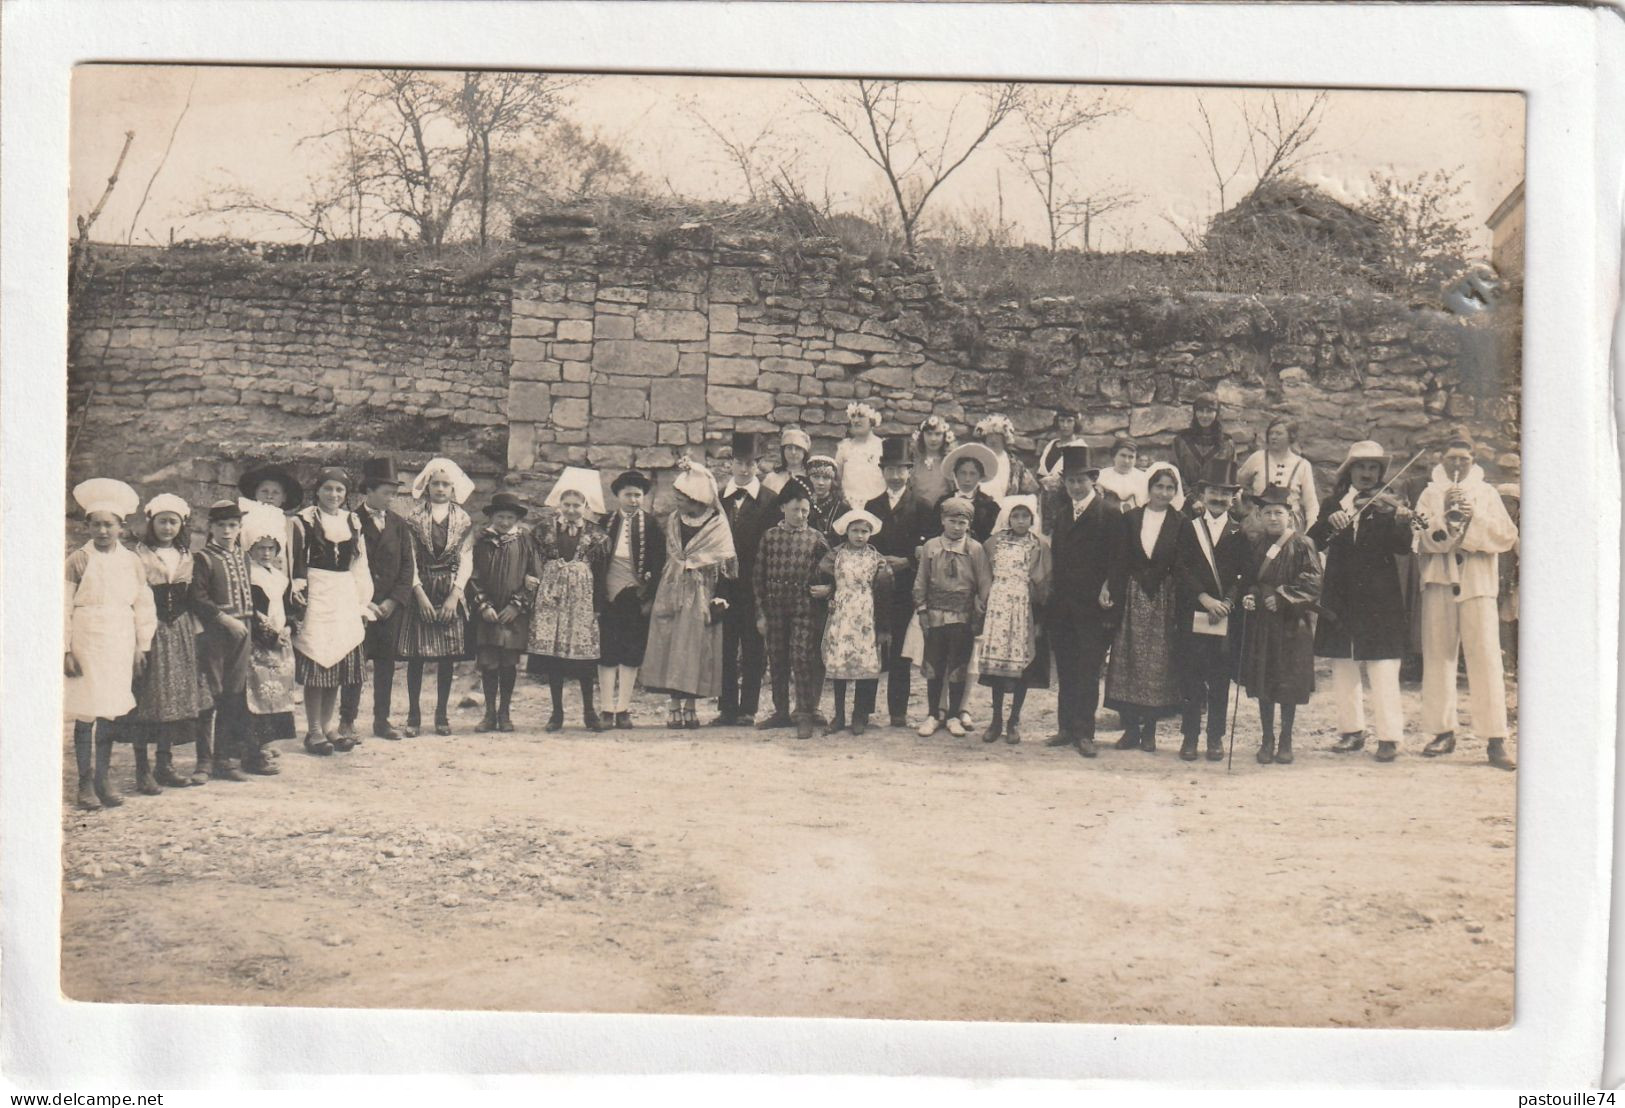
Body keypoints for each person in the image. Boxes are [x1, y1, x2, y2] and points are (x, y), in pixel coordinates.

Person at [1308, 441, 1419, 763]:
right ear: (1349, 471)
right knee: (1343, 665)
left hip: (1379, 599)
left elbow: (1401, 548)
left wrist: (1403, 522)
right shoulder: (1333, 504)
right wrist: (1331, 523)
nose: (1367, 474)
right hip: (1341, 597)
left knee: (1383, 667)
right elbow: (1312, 541)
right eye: (1361, 467)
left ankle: (1389, 737)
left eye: (1373, 468)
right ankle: (1351, 731)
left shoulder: (1388, 507)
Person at [1414, 431, 1519, 770]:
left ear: (1473, 461)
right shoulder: (1430, 493)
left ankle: (1495, 738)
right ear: (1441, 460)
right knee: (1439, 655)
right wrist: (1443, 518)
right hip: (1440, 581)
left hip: (1476, 582)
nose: (1457, 464)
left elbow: (1506, 536)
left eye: (1464, 459)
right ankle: (1442, 731)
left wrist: (1473, 517)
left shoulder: (1487, 493)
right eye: (1451, 458)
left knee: (1486, 658)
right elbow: (1418, 534)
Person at [64, 479, 155, 810]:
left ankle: (104, 777)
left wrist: (141, 645)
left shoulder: (131, 561)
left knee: (110, 712)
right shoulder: (78, 560)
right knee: (87, 710)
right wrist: (65, 649)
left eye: (109, 524)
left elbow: (143, 604)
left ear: (121, 527)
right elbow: (62, 605)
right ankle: (84, 783)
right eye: (96, 524)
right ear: (87, 525)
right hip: (86, 637)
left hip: (119, 637)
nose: (103, 531)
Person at [640, 460, 737, 729]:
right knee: (671, 646)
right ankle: (673, 705)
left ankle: (691, 705)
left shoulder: (717, 525)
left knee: (694, 649)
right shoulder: (673, 520)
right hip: (671, 589)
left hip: (702, 593)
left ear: (696, 499)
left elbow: (726, 564)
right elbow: (666, 555)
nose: (678, 502)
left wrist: (721, 598)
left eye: (682, 498)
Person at [1040, 444, 1122, 758]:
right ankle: (1066, 728)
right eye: (1071, 481)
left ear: (1093, 480)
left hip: (1093, 607)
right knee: (1067, 668)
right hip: (1063, 606)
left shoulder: (1109, 513)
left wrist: (1107, 588)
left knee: (1088, 670)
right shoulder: (1062, 516)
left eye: (1081, 480)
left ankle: (1085, 732)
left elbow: (1118, 560)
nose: (1076, 486)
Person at [125, 494, 209, 794]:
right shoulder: (137, 554)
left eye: (173, 522)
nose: (168, 527)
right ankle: (142, 769)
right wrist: (137, 637)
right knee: (146, 697)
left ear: (181, 525)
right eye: (162, 521)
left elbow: (191, 597)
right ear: (151, 523)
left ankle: (165, 763)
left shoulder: (187, 555)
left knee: (171, 699)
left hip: (180, 630)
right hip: (151, 630)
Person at [289, 468, 375, 755]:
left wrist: (362, 601)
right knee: (318, 659)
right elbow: (294, 560)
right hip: (316, 591)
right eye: (328, 489)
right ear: (317, 491)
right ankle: (313, 729)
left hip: (343, 594)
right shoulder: (303, 520)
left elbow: (359, 564)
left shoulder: (353, 521)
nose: (334, 495)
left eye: (339, 490)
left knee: (337, 661)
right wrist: (299, 594)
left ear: (346, 494)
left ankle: (329, 727)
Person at [1238, 485, 1323, 765]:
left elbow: (1312, 582)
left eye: (1279, 513)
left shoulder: (1303, 544)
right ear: (1260, 516)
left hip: (1291, 624)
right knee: (1265, 681)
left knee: (1288, 682)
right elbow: (1249, 578)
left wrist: (1284, 597)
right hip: (1263, 623)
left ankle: (1286, 739)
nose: (1273, 518)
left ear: (1290, 515)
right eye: (1267, 513)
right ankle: (1267, 738)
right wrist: (1250, 595)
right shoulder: (1256, 544)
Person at [1104, 464, 1186, 753]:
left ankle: (1150, 729)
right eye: (1159, 487)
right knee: (1128, 659)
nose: (1163, 493)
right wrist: (1111, 589)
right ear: (1149, 489)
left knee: (1158, 663)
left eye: (1169, 488)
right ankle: (1130, 729)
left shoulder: (1181, 522)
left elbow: (1182, 563)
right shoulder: (1131, 518)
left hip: (1165, 596)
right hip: (1133, 593)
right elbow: (1119, 558)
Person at [1173, 456, 1249, 763]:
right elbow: (1180, 568)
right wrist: (1204, 598)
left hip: (1224, 618)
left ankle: (1214, 737)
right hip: (1194, 611)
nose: (1218, 498)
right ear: (1202, 495)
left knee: (1219, 679)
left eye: (1225, 493)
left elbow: (1243, 575)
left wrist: (1228, 603)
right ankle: (1190, 736)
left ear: (1234, 498)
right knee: (1191, 678)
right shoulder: (1189, 529)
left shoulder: (1239, 533)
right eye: (1213, 492)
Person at [395, 457, 476, 737]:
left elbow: (466, 559)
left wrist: (455, 595)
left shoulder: (463, 519)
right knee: (417, 656)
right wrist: (418, 594)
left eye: (446, 484)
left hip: (450, 587)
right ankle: (414, 714)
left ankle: (441, 714)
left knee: (446, 656)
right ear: (427, 486)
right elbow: (410, 559)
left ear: (454, 489)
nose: (440, 489)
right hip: (423, 588)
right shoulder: (414, 518)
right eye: (436, 484)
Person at [338, 457, 416, 742]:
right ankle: (347, 720)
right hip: (360, 607)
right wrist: (364, 603)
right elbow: (346, 566)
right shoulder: (351, 522)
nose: (391, 497)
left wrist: (393, 601)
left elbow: (408, 566)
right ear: (368, 491)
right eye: (386, 491)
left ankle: (381, 721)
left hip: (389, 609)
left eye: (393, 492)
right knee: (355, 665)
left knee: (386, 664)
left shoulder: (398, 524)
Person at [528, 467, 610, 732]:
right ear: (559, 504)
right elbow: (532, 560)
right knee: (554, 658)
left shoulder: (597, 535)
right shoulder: (543, 531)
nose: (572, 510)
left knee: (584, 658)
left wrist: (597, 606)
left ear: (586, 506)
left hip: (582, 599)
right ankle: (556, 712)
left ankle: (589, 711)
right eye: (567, 504)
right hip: (552, 597)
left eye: (577, 505)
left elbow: (601, 572)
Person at [864, 434, 934, 728]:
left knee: (900, 651)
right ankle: (863, 710)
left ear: (910, 471)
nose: (895, 475)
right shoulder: (872, 504)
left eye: (901, 469)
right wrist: (879, 561)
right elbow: (863, 543)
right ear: (882, 471)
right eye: (889, 469)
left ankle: (898, 711)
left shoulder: (922, 506)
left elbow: (929, 548)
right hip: (877, 585)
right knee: (870, 645)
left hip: (906, 585)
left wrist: (907, 560)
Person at [753, 481, 833, 740]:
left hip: (804, 608)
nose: (800, 515)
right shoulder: (769, 537)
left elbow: (833, 571)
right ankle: (781, 711)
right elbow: (758, 577)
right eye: (796, 510)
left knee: (801, 657)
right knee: (777, 658)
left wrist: (827, 589)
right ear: (783, 508)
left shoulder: (816, 539)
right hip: (775, 607)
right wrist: (761, 613)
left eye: (805, 511)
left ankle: (805, 714)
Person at [190, 499, 257, 780]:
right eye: (221, 526)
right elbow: (197, 597)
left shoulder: (243, 556)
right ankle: (203, 761)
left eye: (232, 525)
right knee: (210, 696)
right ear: (211, 527)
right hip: (216, 633)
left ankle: (224, 758)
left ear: (240, 528)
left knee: (234, 695)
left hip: (243, 632)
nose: (227, 531)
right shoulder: (203, 558)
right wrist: (224, 620)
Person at [913, 496, 992, 737]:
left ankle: (955, 715)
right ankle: (933, 714)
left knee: (958, 665)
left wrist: (979, 607)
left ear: (968, 524)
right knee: (934, 665)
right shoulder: (931, 547)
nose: (957, 527)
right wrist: (922, 609)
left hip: (963, 616)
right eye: (952, 521)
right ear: (942, 520)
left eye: (962, 522)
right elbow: (921, 580)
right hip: (935, 615)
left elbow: (984, 582)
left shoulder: (975, 549)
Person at [976, 494, 1051, 745]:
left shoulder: (1039, 545)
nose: (1021, 521)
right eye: (1016, 516)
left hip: (1024, 610)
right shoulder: (993, 543)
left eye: (1025, 516)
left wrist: (1039, 615)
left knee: (1023, 667)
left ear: (1032, 518)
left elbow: (1043, 583)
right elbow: (983, 574)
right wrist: (984, 599)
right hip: (998, 608)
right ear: (1007, 518)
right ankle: (996, 718)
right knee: (998, 667)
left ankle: (1014, 719)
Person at [598, 470, 667, 729]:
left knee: (630, 651)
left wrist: (648, 596)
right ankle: (606, 708)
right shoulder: (605, 522)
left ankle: (623, 708)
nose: (634, 500)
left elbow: (659, 563)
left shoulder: (650, 525)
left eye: (638, 495)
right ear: (618, 496)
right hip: (607, 594)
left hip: (635, 596)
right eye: (628, 495)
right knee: (607, 651)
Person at [815, 508, 893, 735]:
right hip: (842, 612)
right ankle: (838, 715)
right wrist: (830, 593)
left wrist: (882, 624)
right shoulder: (836, 555)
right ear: (847, 531)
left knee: (863, 665)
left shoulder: (876, 558)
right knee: (840, 664)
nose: (860, 536)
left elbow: (885, 588)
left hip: (866, 613)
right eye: (855, 530)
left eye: (865, 531)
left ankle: (859, 715)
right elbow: (823, 577)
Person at [715, 432, 773, 725]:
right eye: (739, 462)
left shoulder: (769, 500)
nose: (745, 469)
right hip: (723, 584)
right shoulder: (717, 499)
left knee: (753, 646)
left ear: (758, 465)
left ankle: (748, 708)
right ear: (731, 464)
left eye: (751, 463)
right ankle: (726, 707)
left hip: (754, 584)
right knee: (724, 645)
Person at [467, 491, 535, 733]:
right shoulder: (482, 541)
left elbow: (534, 576)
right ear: (492, 517)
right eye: (500, 517)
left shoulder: (525, 541)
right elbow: (471, 576)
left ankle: (505, 712)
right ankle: (489, 713)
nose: (505, 522)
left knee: (508, 663)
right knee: (489, 663)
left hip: (513, 614)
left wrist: (517, 605)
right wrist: (483, 605)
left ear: (516, 519)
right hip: (489, 613)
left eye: (509, 517)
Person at [241, 503, 298, 767]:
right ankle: (253, 749)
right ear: (250, 549)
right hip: (260, 643)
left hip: (281, 643)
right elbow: (252, 612)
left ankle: (268, 741)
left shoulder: (280, 577)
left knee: (277, 693)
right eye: (260, 548)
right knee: (258, 692)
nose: (265, 553)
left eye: (270, 548)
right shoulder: (248, 577)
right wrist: (271, 635)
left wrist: (288, 629)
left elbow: (289, 608)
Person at [1238, 417, 1320, 533]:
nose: (1273, 437)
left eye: (1279, 433)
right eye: (1271, 433)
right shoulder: (1258, 458)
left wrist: (1310, 531)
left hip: (1289, 526)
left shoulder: (1303, 465)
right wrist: (1243, 509)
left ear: (1291, 436)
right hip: (1258, 523)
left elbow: (1311, 503)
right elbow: (1238, 483)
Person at [1171, 393, 1230, 510]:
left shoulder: (1226, 444)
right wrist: (1191, 499)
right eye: (1200, 411)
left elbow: (1227, 479)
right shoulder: (1181, 440)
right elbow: (1175, 472)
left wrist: (1210, 499)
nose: (1204, 415)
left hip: (1215, 504)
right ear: (1195, 413)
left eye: (1209, 411)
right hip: (1184, 502)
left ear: (1216, 414)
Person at [937, 441, 1001, 543]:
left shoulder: (989, 506)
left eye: (973, 474)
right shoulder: (943, 502)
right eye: (963, 473)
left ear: (980, 476)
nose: (967, 479)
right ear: (955, 475)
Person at [237, 462, 303, 559]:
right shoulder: (243, 521)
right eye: (264, 491)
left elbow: (298, 562)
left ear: (284, 497)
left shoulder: (291, 527)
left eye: (275, 493)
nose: (269, 496)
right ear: (255, 494)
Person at [973, 414, 1040, 500]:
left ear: (1005, 439)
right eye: (990, 435)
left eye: (997, 435)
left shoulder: (1015, 465)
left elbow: (1033, 491)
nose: (993, 439)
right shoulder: (974, 460)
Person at [835, 400, 887, 509]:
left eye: (861, 416)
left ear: (872, 420)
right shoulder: (844, 447)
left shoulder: (882, 446)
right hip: (849, 505)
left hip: (877, 505)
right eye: (853, 416)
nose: (856, 420)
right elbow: (837, 479)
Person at [910, 414, 956, 508]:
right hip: (918, 513)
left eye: (938, 434)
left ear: (945, 436)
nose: (933, 439)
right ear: (922, 436)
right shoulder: (914, 460)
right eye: (929, 434)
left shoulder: (950, 461)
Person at [1096, 437, 1150, 513]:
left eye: (1131, 457)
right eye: (1123, 455)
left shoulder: (1144, 478)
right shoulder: (1101, 476)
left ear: (1135, 460)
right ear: (1114, 456)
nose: (1126, 461)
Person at [762, 426, 813, 499]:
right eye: (789, 448)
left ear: (804, 452)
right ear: (783, 451)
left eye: (798, 448)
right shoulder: (772, 478)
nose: (793, 452)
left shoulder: (811, 477)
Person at [805, 454, 845, 542]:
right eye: (816, 477)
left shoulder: (842, 507)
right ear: (808, 478)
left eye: (826, 478)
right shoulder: (802, 502)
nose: (820, 482)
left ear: (833, 481)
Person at [1037, 410, 1084, 481]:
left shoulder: (1079, 447)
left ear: (1076, 423)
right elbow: (1041, 471)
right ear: (1057, 423)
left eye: (1070, 421)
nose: (1065, 425)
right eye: (1062, 421)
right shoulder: (1051, 444)